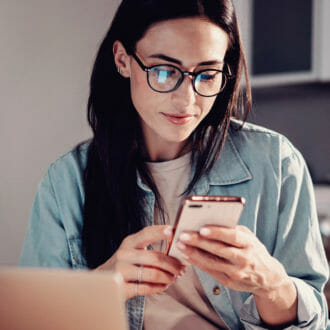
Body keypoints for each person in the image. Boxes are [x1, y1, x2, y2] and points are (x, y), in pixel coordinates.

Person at [19, 0, 329, 329]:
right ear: (123, 60)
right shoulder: (66, 183)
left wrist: (271, 284)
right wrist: (102, 285)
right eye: (165, 72)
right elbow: (26, 320)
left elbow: (315, 323)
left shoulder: (277, 163)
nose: (187, 100)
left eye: (207, 74)